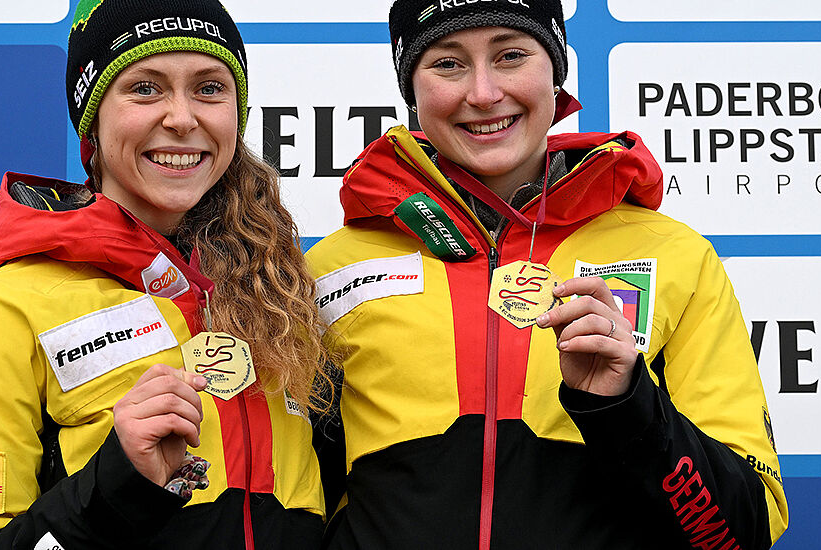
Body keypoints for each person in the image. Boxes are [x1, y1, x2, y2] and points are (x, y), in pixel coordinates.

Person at [306, 1, 789, 548]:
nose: (484, 93)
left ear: (555, 71)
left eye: (512, 55)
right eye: (448, 64)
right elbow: (287, 513)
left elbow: (738, 533)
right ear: (411, 89)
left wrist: (625, 407)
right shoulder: (331, 269)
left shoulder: (676, 256)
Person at [0, 1, 329, 548]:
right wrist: (117, 481)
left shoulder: (272, 298)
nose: (181, 118)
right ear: (93, 126)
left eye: (209, 88)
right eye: (145, 89)